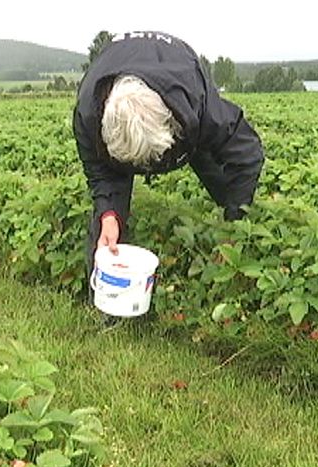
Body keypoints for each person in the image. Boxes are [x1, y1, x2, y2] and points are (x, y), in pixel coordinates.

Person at [73, 31, 265, 284]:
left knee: (226, 187)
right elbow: (100, 172)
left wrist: (234, 230)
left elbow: (247, 155)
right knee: (106, 226)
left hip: (181, 92)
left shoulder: (199, 104)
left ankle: (240, 254)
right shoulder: (88, 113)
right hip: (119, 75)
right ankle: (106, 303)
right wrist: (109, 214)